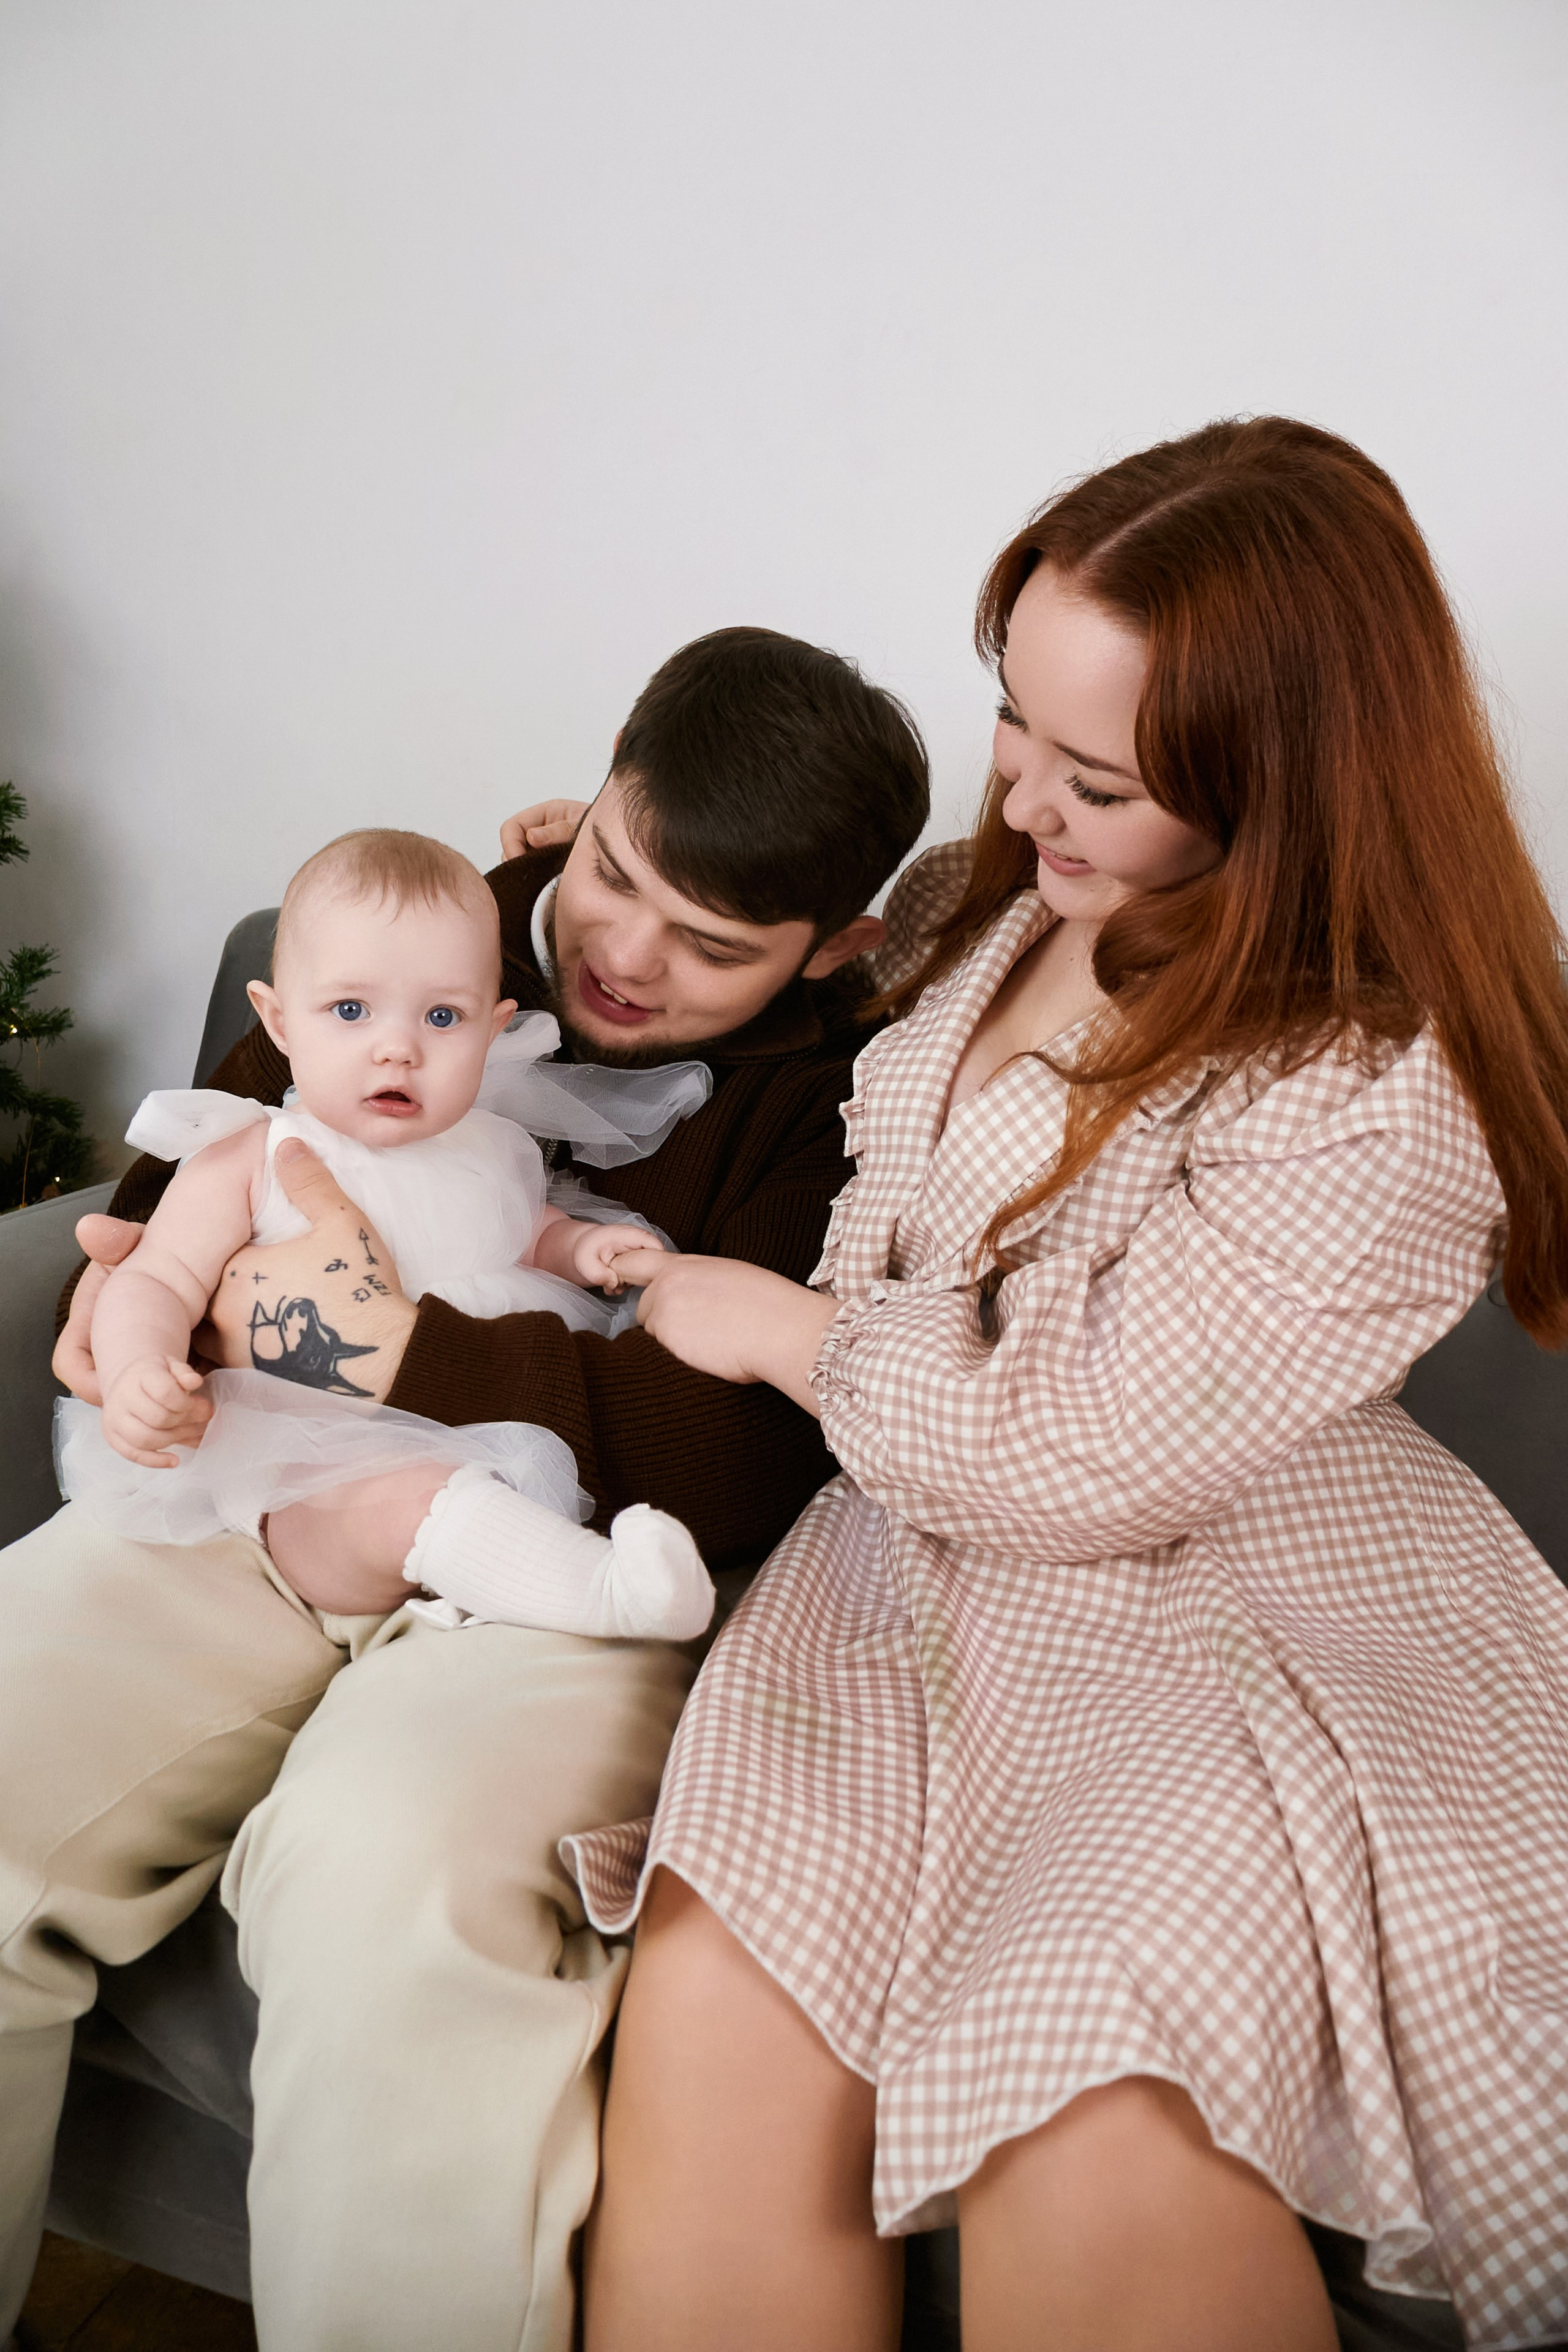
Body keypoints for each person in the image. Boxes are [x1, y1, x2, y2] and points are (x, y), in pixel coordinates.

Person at [575, 423, 1568, 2352]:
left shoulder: (1377, 1077)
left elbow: (1084, 1454)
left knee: (1086, 2088)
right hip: (892, 1584)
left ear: (1286, 782)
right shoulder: (983, 899)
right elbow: (775, 948)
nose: (1023, 790)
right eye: (1013, 717)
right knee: (711, 2005)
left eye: (1095, 773)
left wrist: (788, 1332)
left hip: (1217, 1604)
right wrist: (575, 866)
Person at [0, 624, 929, 2352]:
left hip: (567, 1568)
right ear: (592, 803)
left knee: (385, 1895)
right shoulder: (453, 916)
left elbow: (742, 1451)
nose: (624, 959)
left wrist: (388, 1345)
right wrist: (118, 1302)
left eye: (713, 947)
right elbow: (217, 1145)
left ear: (836, 949)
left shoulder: (846, 1106)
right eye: (613, 875)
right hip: (248, 1498)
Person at [59, 822, 715, 1641]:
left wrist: (577, 1248)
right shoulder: (249, 1155)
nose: (397, 1049)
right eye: (350, 1010)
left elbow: (520, 1234)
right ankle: (610, 1597)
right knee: (406, 1501)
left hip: (470, 1422)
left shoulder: (497, 1146)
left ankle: (576, 1582)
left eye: (443, 1016)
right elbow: (154, 1279)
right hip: (304, 1477)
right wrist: (136, 1373)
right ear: (279, 1020)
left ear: (493, 1028)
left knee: (465, 1489)